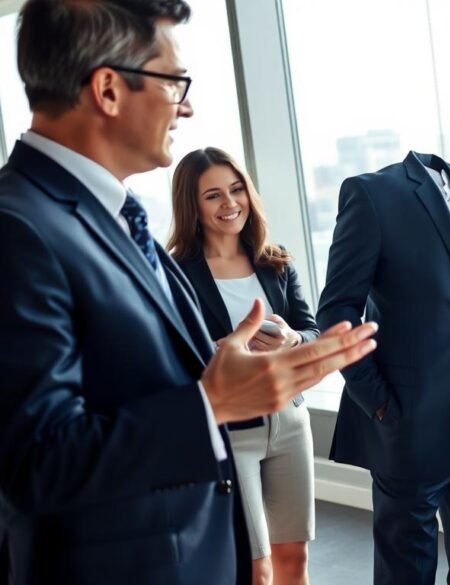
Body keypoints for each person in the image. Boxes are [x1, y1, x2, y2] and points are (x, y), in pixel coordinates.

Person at [0, 2, 376, 584]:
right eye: (175, 82)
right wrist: (213, 404)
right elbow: (33, 462)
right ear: (107, 89)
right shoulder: (17, 228)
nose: (189, 105)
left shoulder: (116, 215)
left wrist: (233, 375)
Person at [317, 149, 450, 585]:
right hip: (409, 417)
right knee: (406, 568)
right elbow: (337, 314)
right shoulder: (372, 195)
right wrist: (380, 405)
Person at [169, 147, 317, 585]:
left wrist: (291, 338)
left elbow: (311, 330)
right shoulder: (177, 272)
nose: (230, 203)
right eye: (213, 195)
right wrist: (220, 349)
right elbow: (174, 356)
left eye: (236, 190)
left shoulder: (275, 260)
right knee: (256, 566)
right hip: (232, 430)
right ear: (191, 206)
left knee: (294, 557)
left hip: (290, 419)